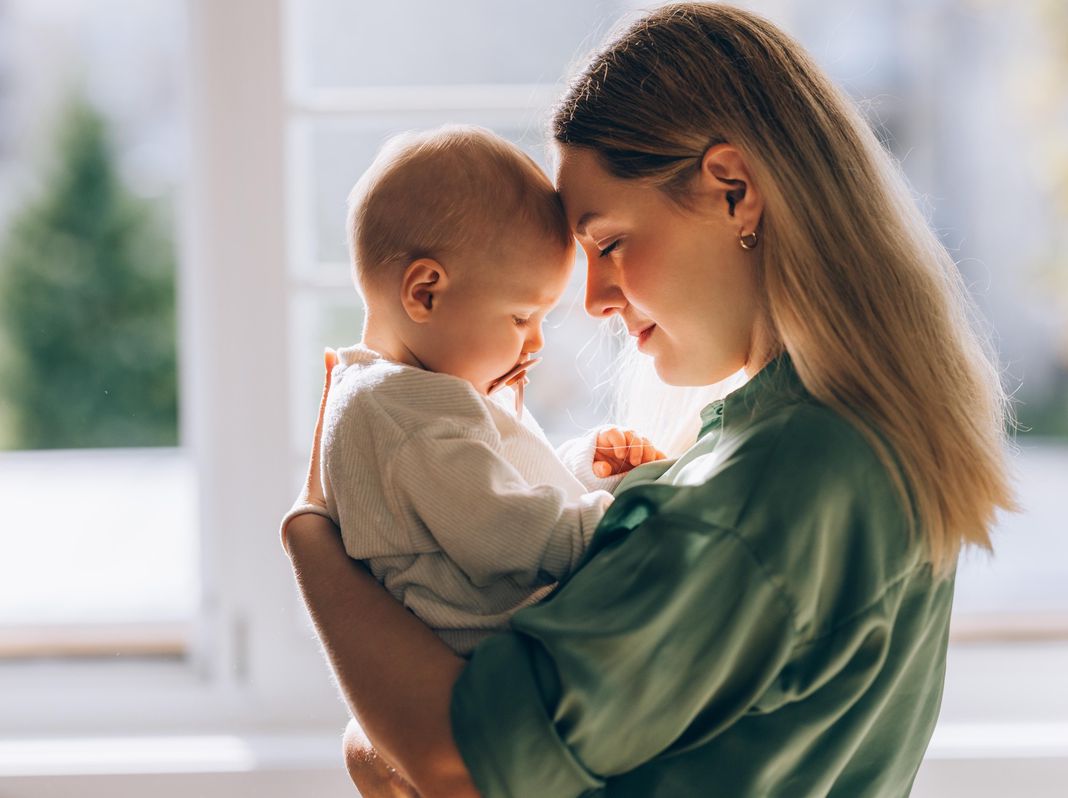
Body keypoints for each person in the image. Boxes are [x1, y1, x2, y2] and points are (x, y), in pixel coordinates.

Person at [281, 4, 1018, 796]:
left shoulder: (762, 493)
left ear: (734, 191)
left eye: (609, 244)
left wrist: (311, 537)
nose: (593, 300)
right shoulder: (837, 444)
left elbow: (458, 761)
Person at [282, 125, 664, 657]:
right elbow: (505, 532)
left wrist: (581, 469)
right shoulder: (403, 415)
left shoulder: (402, 394)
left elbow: (480, 495)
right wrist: (619, 522)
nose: (533, 343)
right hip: (507, 654)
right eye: (521, 317)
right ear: (425, 293)